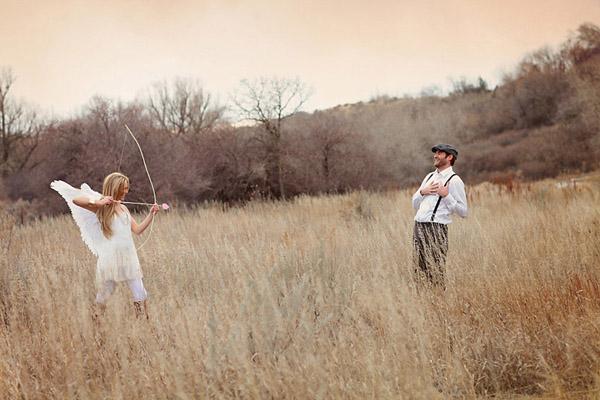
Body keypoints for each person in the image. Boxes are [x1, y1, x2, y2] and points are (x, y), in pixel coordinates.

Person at [51, 172, 160, 319]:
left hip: (129, 259)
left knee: (140, 294)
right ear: (116, 188)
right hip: (110, 261)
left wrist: (151, 214)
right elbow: (77, 200)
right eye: (124, 188)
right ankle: (96, 324)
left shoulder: (124, 209)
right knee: (103, 297)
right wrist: (98, 203)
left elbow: (138, 230)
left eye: (127, 188)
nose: (126, 192)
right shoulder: (102, 208)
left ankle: (142, 327)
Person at [411, 144, 468, 288]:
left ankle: (438, 301)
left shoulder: (454, 180)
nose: (435, 155)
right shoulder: (429, 176)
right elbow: (415, 203)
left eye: (440, 153)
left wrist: (447, 195)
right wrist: (423, 192)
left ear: (449, 158)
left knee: (436, 269)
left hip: (436, 228)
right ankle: (421, 303)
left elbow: (463, 212)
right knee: (418, 270)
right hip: (419, 226)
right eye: (435, 153)